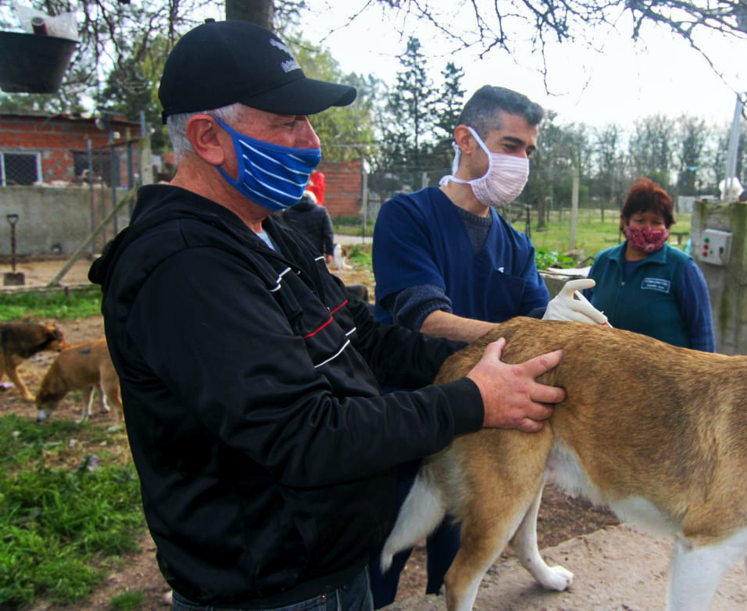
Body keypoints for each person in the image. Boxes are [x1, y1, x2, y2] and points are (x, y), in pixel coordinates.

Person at [87, 20, 570, 611]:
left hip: (331, 565)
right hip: (274, 590)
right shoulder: (185, 268)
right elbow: (304, 435)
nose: (311, 142)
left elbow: (365, 338)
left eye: (308, 121)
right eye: (287, 122)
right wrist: (472, 400)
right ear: (208, 138)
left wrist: (498, 359)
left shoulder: (271, 233)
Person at [369, 85, 607, 607]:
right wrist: (529, 332)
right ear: (466, 139)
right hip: (401, 411)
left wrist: (563, 327)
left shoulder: (516, 244)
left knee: (459, 541)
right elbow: (424, 318)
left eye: (527, 150)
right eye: (509, 144)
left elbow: (531, 329)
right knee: (382, 549)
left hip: (477, 419)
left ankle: (441, 596)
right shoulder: (407, 217)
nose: (520, 160)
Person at [585, 177, 716, 352]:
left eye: (656, 222)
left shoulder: (681, 267)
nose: (648, 228)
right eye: (640, 220)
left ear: (667, 226)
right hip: (604, 371)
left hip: (664, 376)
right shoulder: (604, 261)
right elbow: (581, 314)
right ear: (625, 222)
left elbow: (702, 332)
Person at [284, 190, 335, 265]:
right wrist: (329, 252)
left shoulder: (288, 213)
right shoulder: (321, 212)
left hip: (294, 252)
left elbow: (284, 233)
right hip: (315, 251)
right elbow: (328, 233)